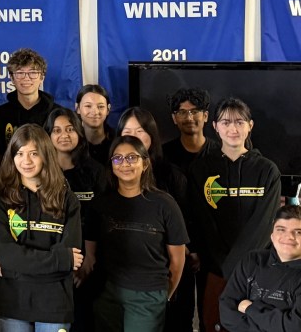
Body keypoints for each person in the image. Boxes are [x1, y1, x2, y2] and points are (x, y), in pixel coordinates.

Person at [188, 98, 281, 332]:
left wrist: (237, 267)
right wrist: (221, 266)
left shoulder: (267, 170)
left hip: (256, 271)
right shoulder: (200, 169)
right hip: (213, 270)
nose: (233, 128)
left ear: (250, 126)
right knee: (213, 324)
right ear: (215, 127)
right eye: (226, 122)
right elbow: (201, 220)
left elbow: (264, 223)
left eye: (239, 122)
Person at [88, 136, 189, 332]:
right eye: (117, 158)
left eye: (132, 157)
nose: (124, 164)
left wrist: (165, 294)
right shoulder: (100, 204)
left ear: (145, 163)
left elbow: (178, 260)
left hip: (148, 296)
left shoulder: (165, 204)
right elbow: (90, 253)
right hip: (107, 293)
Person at [0, 124, 82, 331]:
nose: (26, 161)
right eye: (20, 153)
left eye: (34, 153)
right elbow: (6, 256)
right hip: (12, 303)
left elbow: (71, 257)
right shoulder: (0, 200)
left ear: (45, 155)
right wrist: (59, 260)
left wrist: (15, 269)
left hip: (55, 304)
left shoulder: (67, 199)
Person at [116, 106, 195, 332]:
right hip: (126, 279)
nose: (133, 138)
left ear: (151, 135)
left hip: (167, 270)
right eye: (127, 132)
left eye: (140, 131)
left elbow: (186, 226)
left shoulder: (172, 175)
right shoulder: (112, 175)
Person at [44, 107, 108, 331]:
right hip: (52, 261)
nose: (64, 135)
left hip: (89, 261)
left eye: (70, 129)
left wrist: (89, 260)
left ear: (79, 132)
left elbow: (101, 218)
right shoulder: (41, 173)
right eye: (57, 130)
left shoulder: (96, 171)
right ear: (48, 136)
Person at [219, 205, 301, 332]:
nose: (289, 236)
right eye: (281, 229)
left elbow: (295, 326)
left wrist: (250, 308)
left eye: (298, 232)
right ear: (272, 235)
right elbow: (227, 313)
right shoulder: (252, 260)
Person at [0, 48, 61, 153]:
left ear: (42, 78)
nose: (26, 78)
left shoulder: (58, 114)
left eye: (33, 73)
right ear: (12, 78)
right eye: (20, 73)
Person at [163, 88, 220, 170]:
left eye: (195, 112)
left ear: (205, 116)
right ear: (174, 118)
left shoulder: (221, 153)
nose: (189, 118)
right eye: (182, 112)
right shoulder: (163, 155)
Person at [75, 85, 116, 166]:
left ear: (108, 109)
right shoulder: (72, 142)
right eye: (88, 106)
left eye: (100, 106)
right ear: (78, 108)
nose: (95, 112)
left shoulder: (117, 140)